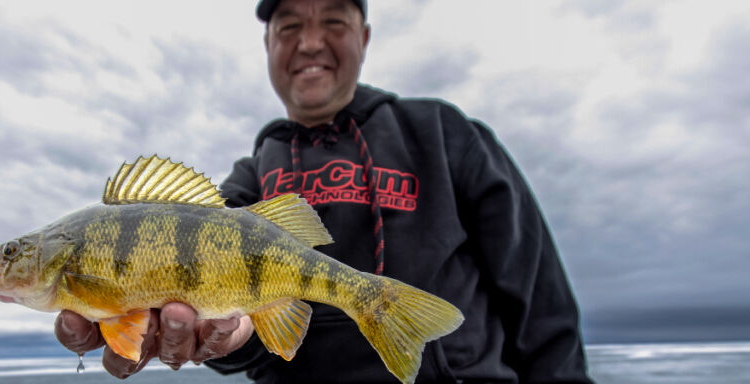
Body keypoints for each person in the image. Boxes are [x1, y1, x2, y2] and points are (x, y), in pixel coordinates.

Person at [55, 0, 594, 382]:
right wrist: (225, 339)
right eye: (288, 26)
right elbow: (227, 325)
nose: (310, 42)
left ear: (363, 36)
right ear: (268, 44)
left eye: (333, 20)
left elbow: (538, 299)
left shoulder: (444, 133)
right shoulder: (251, 177)